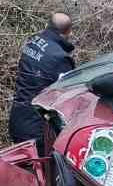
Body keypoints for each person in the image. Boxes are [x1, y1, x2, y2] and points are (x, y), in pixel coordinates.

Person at [9, 12, 75, 147]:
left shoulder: (33, 42)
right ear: (68, 32)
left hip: (17, 116)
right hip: (36, 127)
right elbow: (66, 96)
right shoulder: (60, 58)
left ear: (48, 25)